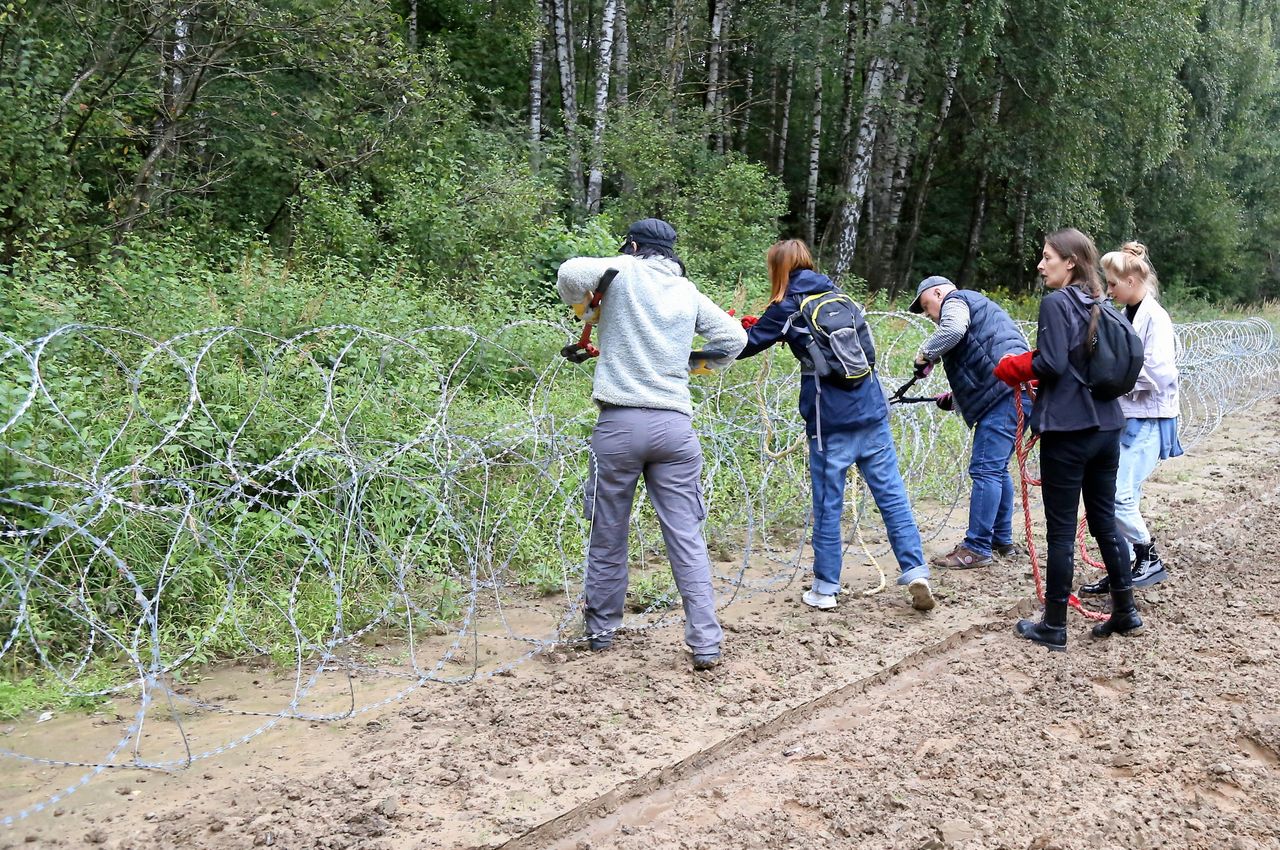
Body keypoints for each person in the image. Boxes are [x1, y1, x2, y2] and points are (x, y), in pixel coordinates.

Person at [557, 218, 747, 671]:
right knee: (686, 537)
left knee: (608, 534)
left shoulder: (621, 274)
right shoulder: (687, 291)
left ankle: (601, 632)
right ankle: (705, 642)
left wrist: (619, 267)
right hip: (675, 429)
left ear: (634, 245)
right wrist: (692, 362)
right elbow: (734, 338)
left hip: (619, 425)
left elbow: (569, 275)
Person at [737, 239, 936, 613]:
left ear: (779, 269)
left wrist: (714, 339)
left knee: (829, 505)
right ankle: (914, 570)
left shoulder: (787, 307)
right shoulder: (838, 296)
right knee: (892, 497)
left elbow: (747, 344)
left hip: (830, 422)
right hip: (872, 412)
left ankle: (826, 588)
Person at [993, 228, 1142, 650]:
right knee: (1103, 523)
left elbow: (1052, 362)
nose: (1041, 266)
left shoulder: (1057, 302)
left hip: (1070, 430)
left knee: (1060, 532)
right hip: (1107, 427)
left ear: (1070, 261)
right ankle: (1125, 612)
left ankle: (1054, 625)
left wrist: (1013, 367)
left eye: (1047, 258)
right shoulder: (1099, 300)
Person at [909, 275, 1032, 569]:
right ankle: (1001, 540)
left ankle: (976, 548)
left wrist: (926, 354)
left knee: (986, 469)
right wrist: (957, 398)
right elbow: (986, 359)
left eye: (927, 307)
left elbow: (953, 330)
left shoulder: (957, 300)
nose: (929, 315)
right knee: (996, 469)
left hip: (1005, 395)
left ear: (938, 293)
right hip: (1015, 392)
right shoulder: (981, 307)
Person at [1080, 242, 1181, 594]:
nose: (1109, 290)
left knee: (1118, 497)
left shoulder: (1155, 317)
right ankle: (1121, 569)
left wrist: (1114, 384)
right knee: (1117, 496)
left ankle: (1147, 556)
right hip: (1129, 418)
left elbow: (1159, 372)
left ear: (1134, 279)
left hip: (1149, 419)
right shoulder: (1129, 314)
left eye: (1113, 283)